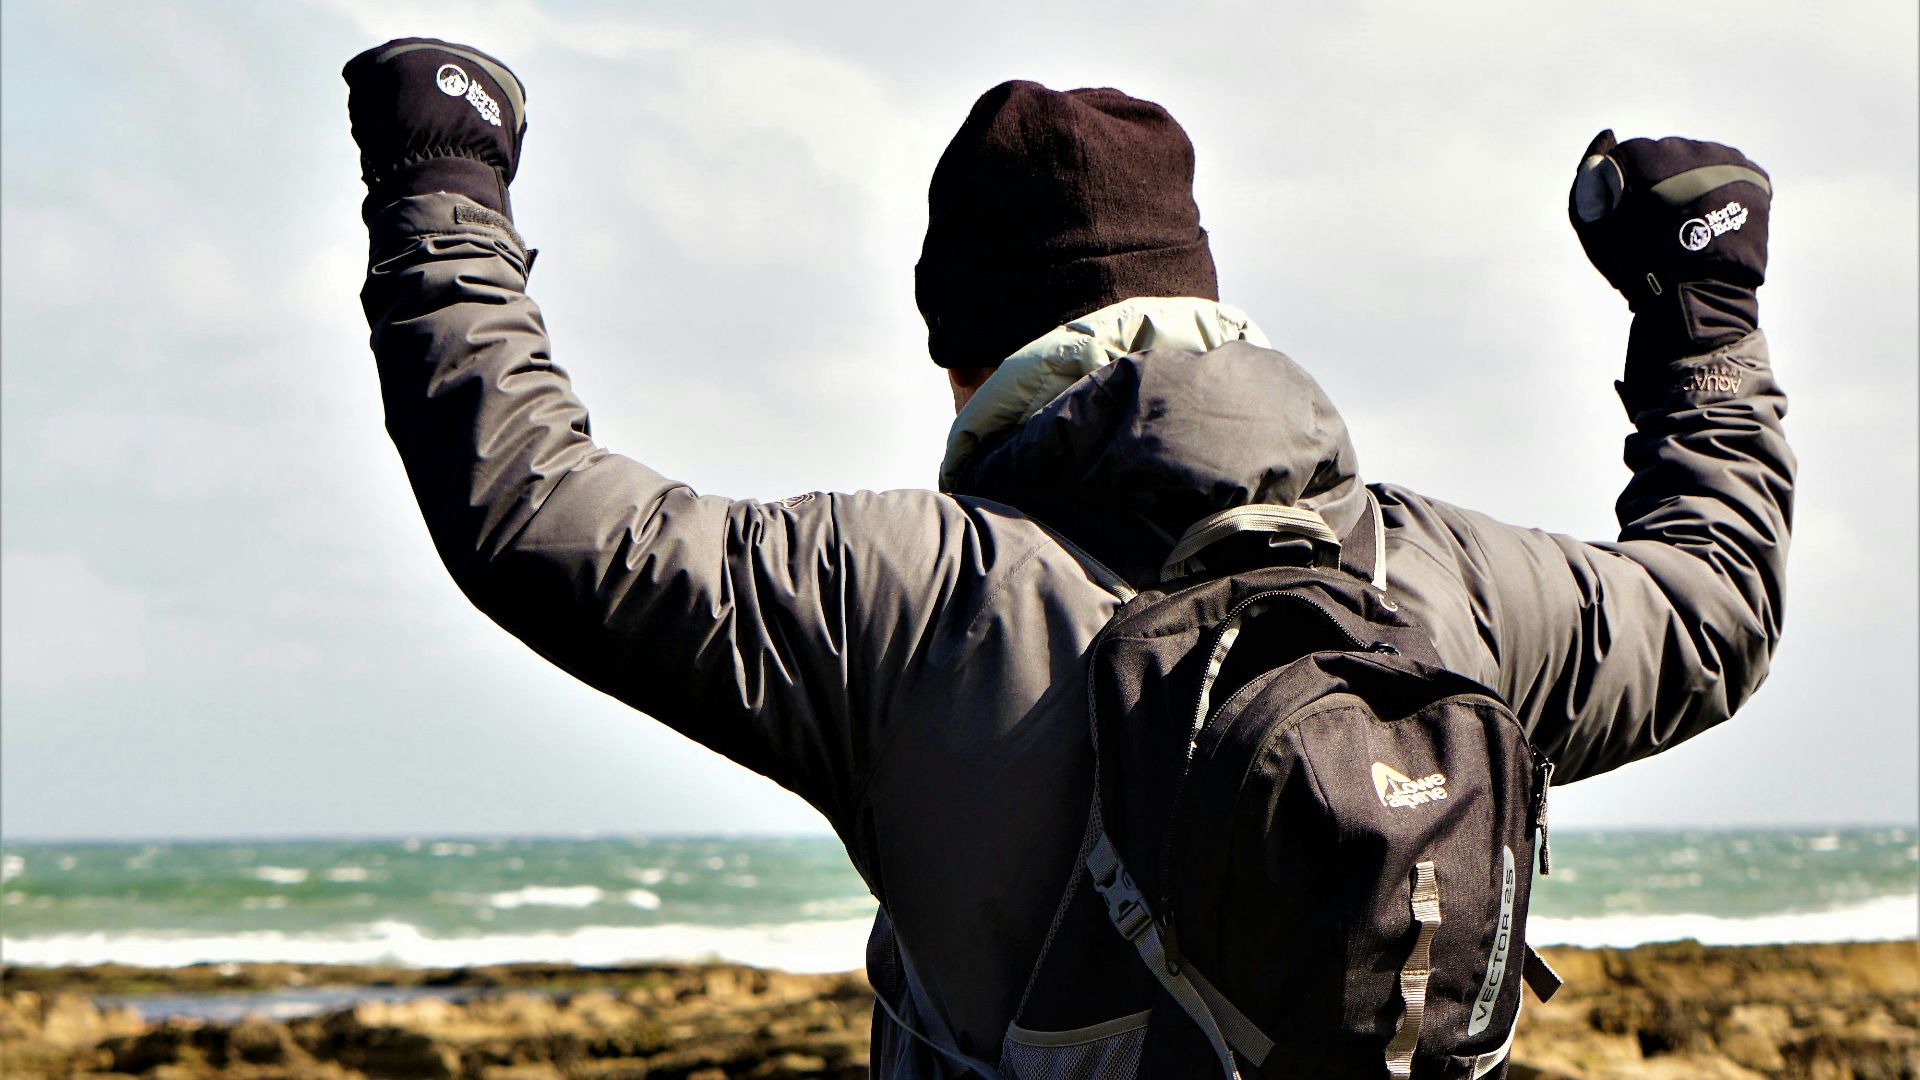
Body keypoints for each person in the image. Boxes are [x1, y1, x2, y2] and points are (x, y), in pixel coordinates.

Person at [344, 39, 1792, 1077]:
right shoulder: (1449, 589)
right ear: (1205, 293)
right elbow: (1717, 603)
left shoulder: (902, 599)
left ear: (963, 355)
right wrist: (1701, 306)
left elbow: (533, 511)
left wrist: (440, 186)